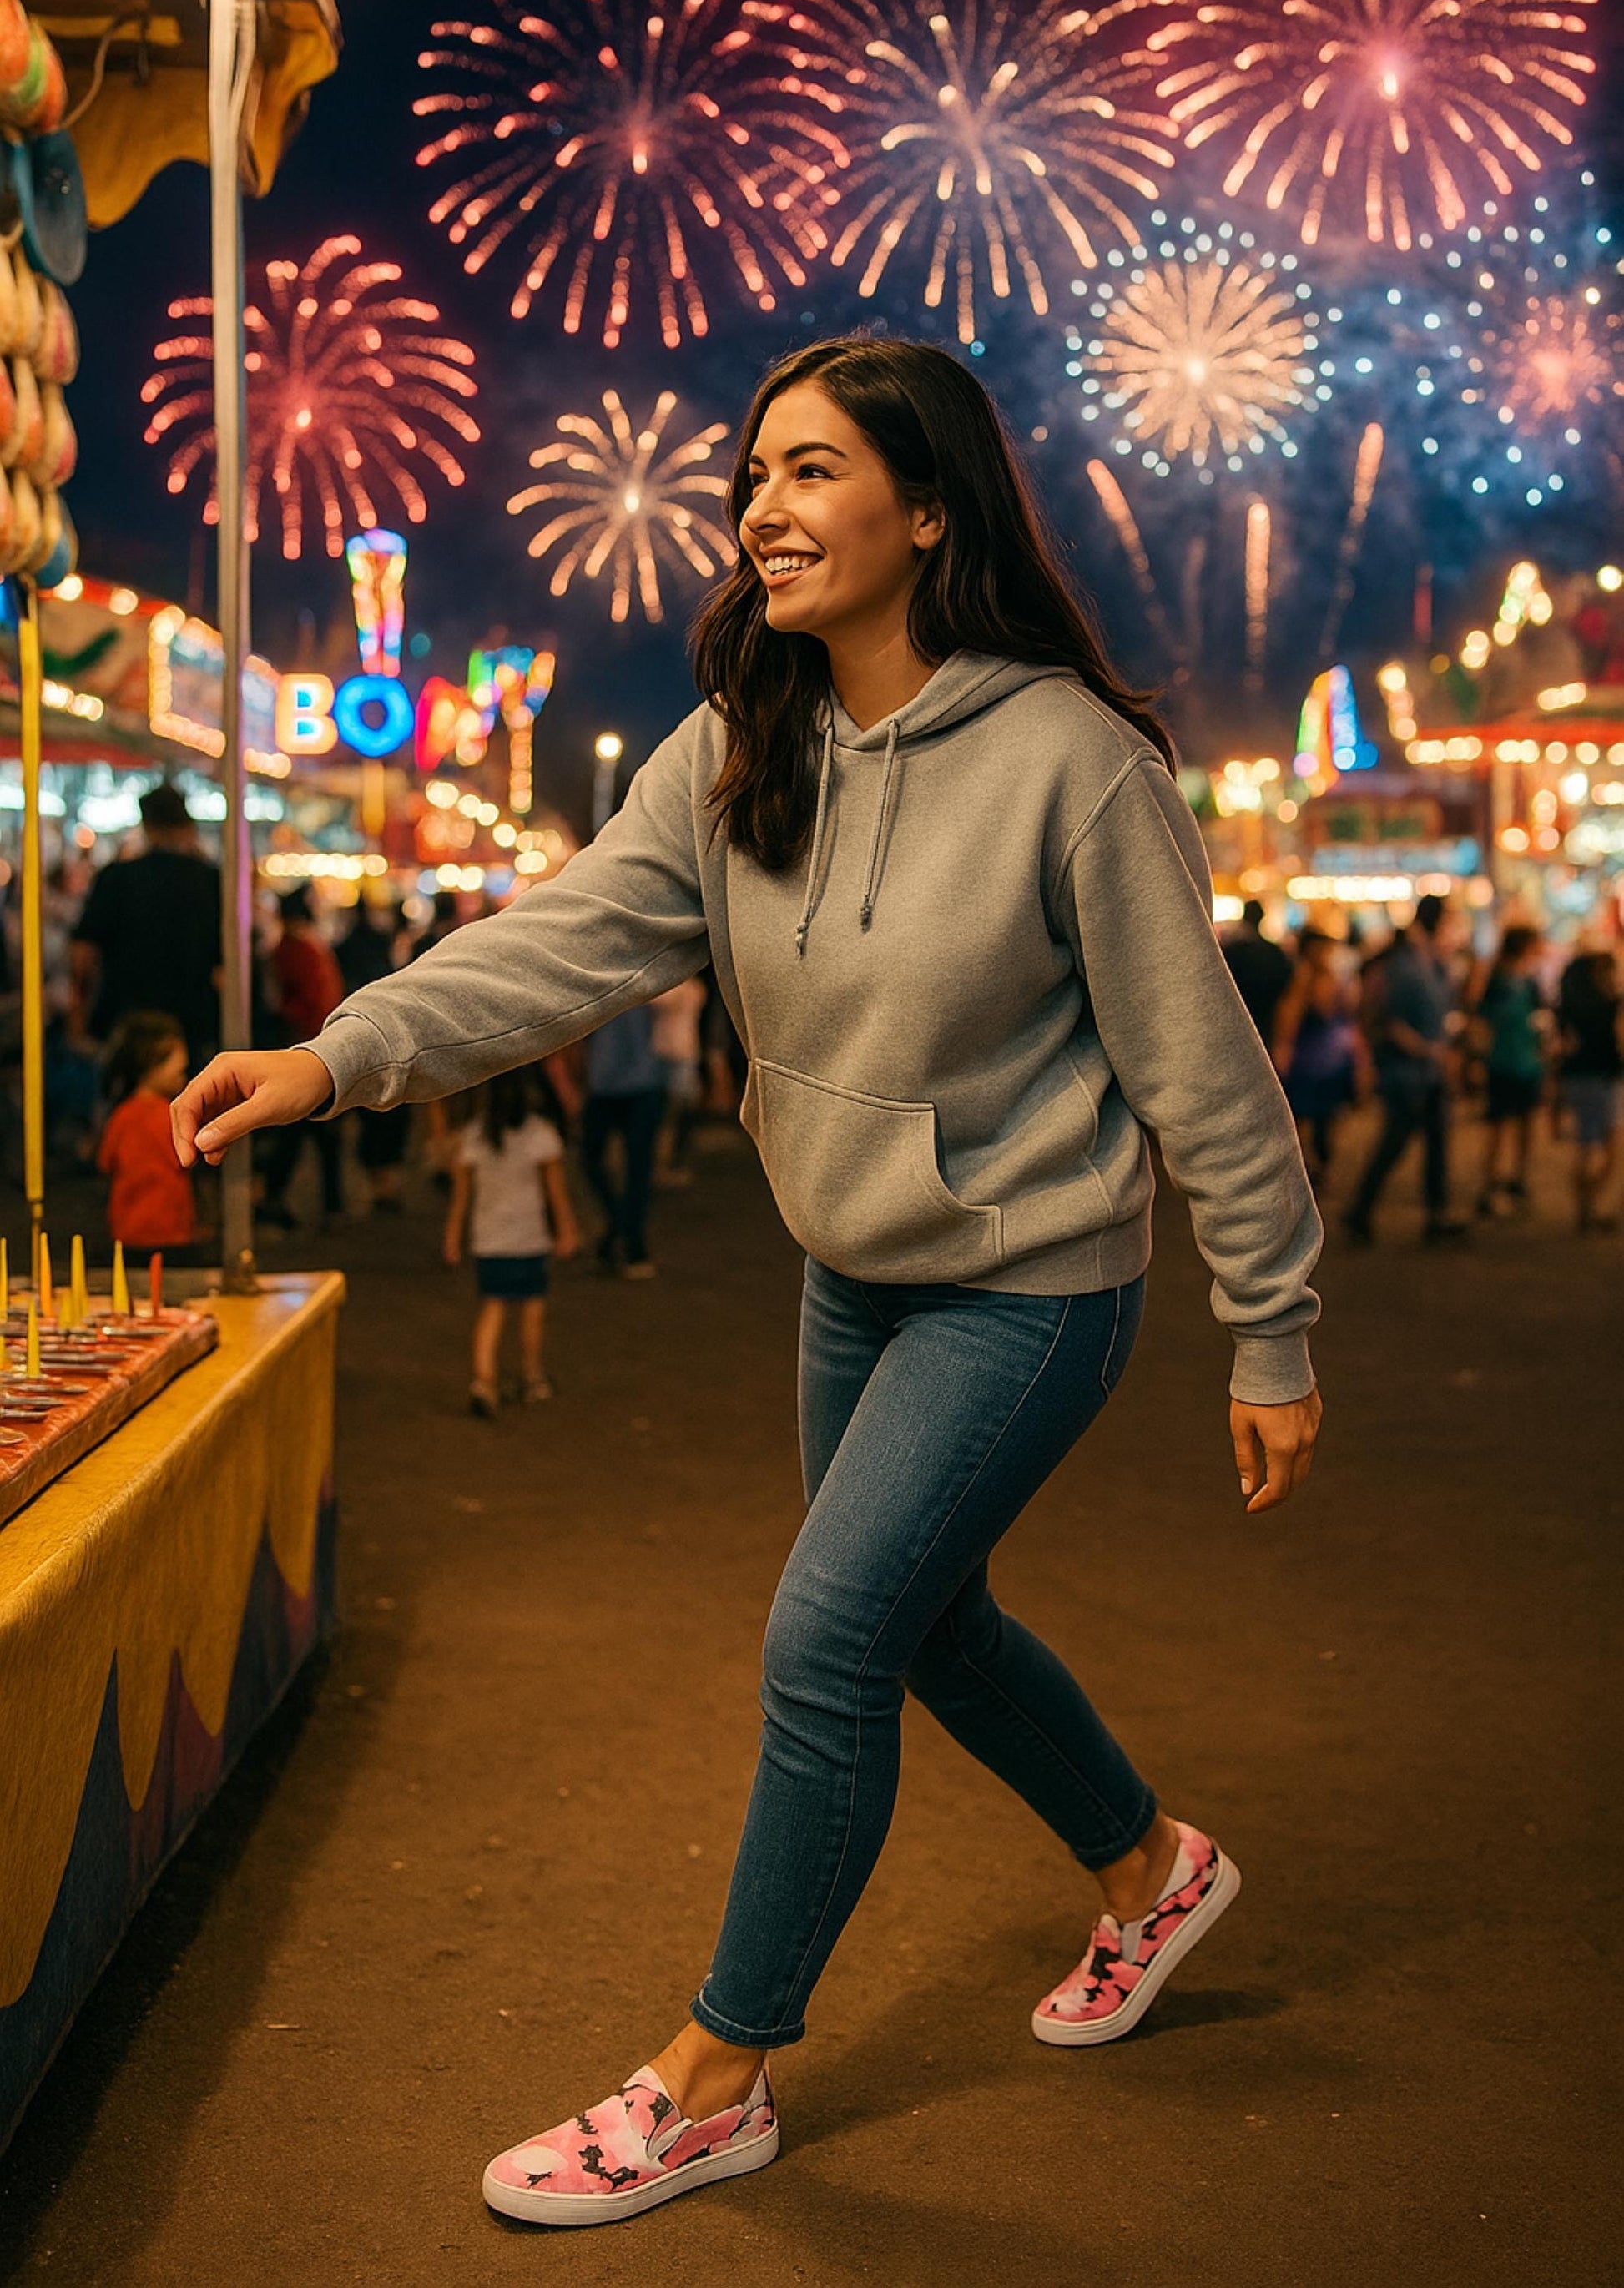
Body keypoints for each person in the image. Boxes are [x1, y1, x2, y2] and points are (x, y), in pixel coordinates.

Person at [172, 335, 1323, 2235]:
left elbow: (1202, 1067)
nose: (760, 511)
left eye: (810, 473)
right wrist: (337, 1058)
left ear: (927, 509)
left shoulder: (1070, 763)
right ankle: (1152, 1874)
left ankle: (717, 2080)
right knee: (923, 1627)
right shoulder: (736, 741)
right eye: (753, 475)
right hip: (850, 1274)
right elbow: (565, 946)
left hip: (1028, 1286)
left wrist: (1269, 1328)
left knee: (827, 1641)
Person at [443, 1065, 580, 1414]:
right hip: (529, 1236)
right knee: (532, 1306)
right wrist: (566, 1230)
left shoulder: (473, 1138)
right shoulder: (541, 1136)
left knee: (493, 1305)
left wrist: (453, 1238)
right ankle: (532, 1377)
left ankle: (483, 1379)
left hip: (489, 1238)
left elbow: (461, 1198)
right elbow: (557, 1195)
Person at [1343, 894, 1468, 1245]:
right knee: (1395, 1141)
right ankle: (1360, 1210)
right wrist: (1428, 1048)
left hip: (1429, 1068)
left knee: (1436, 1143)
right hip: (1407, 1070)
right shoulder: (1405, 962)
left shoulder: (1429, 959)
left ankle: (1435, 1214)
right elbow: (1392, 1019)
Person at [72, 782, 221, 1073]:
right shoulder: (210, 881)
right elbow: (226, 967)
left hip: (125, 1021)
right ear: (186, 824)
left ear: (146, 823)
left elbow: (83, 956)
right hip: (191, 1023)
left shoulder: (116, 878)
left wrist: (77, 1020)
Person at [260, 889, 345, 1231]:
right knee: (324, 1136)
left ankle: (276, 1196)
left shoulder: (291, 949)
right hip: (323, 1044)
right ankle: (332, 1204)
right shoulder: (313, 946)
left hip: (302, 1046)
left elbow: (296, 1001)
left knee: (293, 1132)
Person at [98, 1010, 195, 1258]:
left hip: (127, 1231)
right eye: (179, 1071)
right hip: (170, 1229)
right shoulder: (171, 1115)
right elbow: (186, 1158)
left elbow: (105, 1161)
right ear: (152, 1064)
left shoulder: (121, 1115)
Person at [1272, 927, 1364, 1184]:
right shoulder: (1304, 975)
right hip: (1311, 1054)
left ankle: (1317, 1166)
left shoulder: (1330, 975)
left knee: (1326, 1115)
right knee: (1303, 1116)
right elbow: (1291, 1014)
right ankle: (1302, 1170)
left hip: (1328, 1053)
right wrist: (1284, 1047)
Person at [580, 1004, 668, 1277]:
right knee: (619, 1165)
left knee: (635, 1169)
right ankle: (623, 1231)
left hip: (634, 1082)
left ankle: (629, 1241)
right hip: (619, 1082)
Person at [1466, 925, 1546, 1218]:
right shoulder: (1499, 980)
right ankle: (1491, 1185)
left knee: (1525, 1123)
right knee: (1498, 1125)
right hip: (1503, 1061)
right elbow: (1483, 1022)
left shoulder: (1528, 980)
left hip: (1526, 1062)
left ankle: (1517, 1179)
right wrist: (1477, 1060)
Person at [335, 900, 410, 1213]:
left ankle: (376, 1182)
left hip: (352, 1033)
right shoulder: (380, 949)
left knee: (370, 1115)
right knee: (388, 1116)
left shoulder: (345, 948)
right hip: (385, 1035)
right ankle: (384, 1184)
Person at [1556, 946, 1621, 1232]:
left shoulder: (1571, 1005)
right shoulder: (1609, 1004)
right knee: (1610, 1148)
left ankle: (1585, 1208)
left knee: (1585, 1145)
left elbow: (1563, 1043)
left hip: (1577, 1077)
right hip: (1604, 1078)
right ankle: (1589, 1204)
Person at [652, 973, 708, 1186]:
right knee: (672, 1113)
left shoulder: (687, 989)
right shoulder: (692, 988)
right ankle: (667, 1163)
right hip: (674, 1055)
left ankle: (669, 1164)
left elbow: (657, 1001)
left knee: (673, 1113)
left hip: (678, 1056)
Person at [1219, 898, 1294, 1051]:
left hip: (1237, 1023)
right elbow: (1285, 989)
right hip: (1267, 1022)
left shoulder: (1231, 951)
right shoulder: (1273, 952)